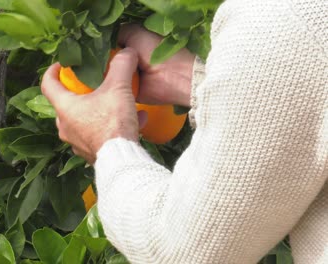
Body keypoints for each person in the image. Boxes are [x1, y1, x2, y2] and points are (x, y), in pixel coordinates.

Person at [41, 0, 327, 263]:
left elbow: (181, 251)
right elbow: (302, 86)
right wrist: (202, 80)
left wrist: (107, 141)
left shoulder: (282, 19)